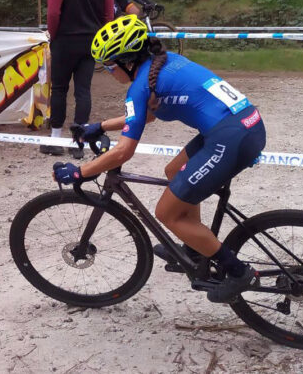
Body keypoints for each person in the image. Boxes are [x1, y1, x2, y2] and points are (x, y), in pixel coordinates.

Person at [52, 15, 266, 303]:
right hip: (243, 125)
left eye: (109, 65)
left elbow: (124, 151)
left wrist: (81, 171)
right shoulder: (164, 64)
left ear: (127, 61)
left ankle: (239, 273)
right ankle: (194, 247)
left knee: (167, 213)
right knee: (174, 170)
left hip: (231, 137)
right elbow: (147, 116)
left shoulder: (140, 85)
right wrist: (100, 126)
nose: (109, 72)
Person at [39, 0, 114, 159]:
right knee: (83, 90)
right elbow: (108, 15)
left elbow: (53, 12)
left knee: (59, 89)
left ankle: (54, 139)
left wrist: (53, 35)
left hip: (64, 41)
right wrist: (101, 39)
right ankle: (79, 142)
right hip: (90, 42)